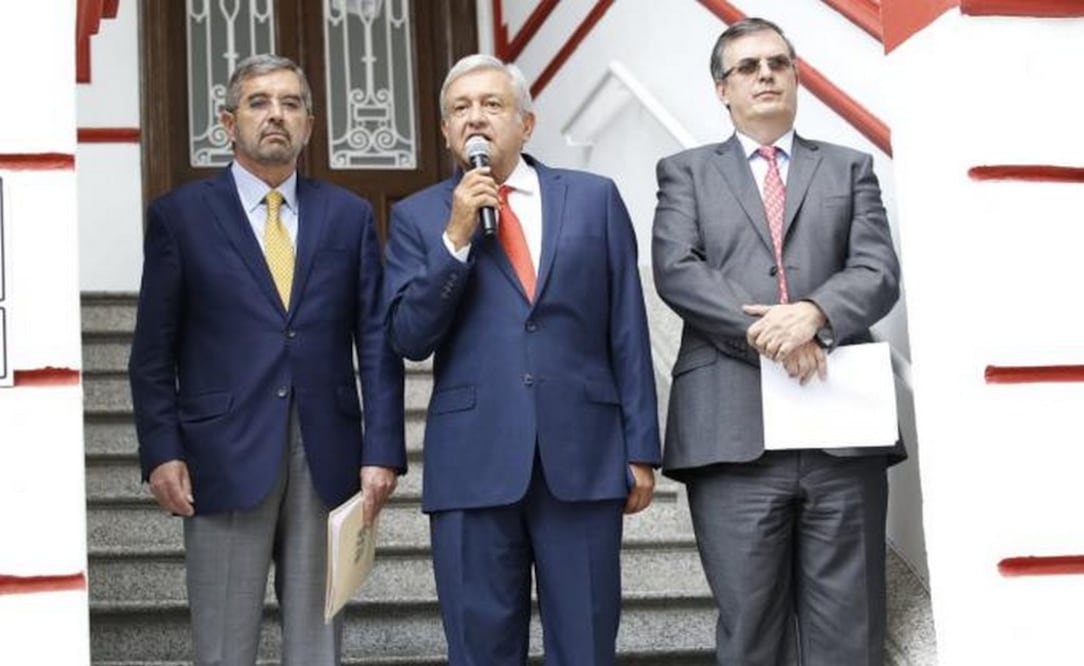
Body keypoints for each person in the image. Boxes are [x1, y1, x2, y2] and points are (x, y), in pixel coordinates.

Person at [383, 54, 661, 665]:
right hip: (473, 464)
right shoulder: (417, 217)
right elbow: (408, 337)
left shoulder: (594, 199)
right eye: (460, 109)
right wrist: (455, 239)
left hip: (583, 456)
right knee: (481, 650)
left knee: (586, 646)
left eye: (491, 104)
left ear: (527, 123)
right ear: (445, 132)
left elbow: (626, 328)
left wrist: (640, 447)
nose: (475, 118)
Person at [128, 54, 405, 666]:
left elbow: (377, 342)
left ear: (309, 124)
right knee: (224, 646)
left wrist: (382, 449)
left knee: (317, 645)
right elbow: (152, 352)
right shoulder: (180, 217)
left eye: (290, 104)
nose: (275, 115)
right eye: (258, 102)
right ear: (228, 123)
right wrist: (161, 450)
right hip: (219, 455)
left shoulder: (350, 216)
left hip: (327, 454)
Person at [652, 18, 904, 666]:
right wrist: (771, 333)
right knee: (750, 631)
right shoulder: (684, 173)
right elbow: (678, 269)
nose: (766, 74)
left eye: (778, 63)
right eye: (747, 67)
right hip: (731, 437)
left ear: (795, 77)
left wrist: (815, 313)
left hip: (841, 433)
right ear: (721, 89)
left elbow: (878, 270)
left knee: (851, 633)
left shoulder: (850, 169)